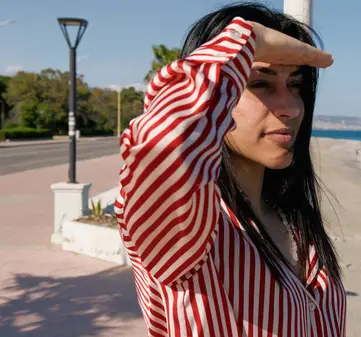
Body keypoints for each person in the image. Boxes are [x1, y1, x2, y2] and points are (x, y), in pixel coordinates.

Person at [114, 2, 346, 336]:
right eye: (260, 84)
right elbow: (159, 141)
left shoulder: (290, 218)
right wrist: (246, 39)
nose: (291, 108)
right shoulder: (185, 230)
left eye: (295, 85)